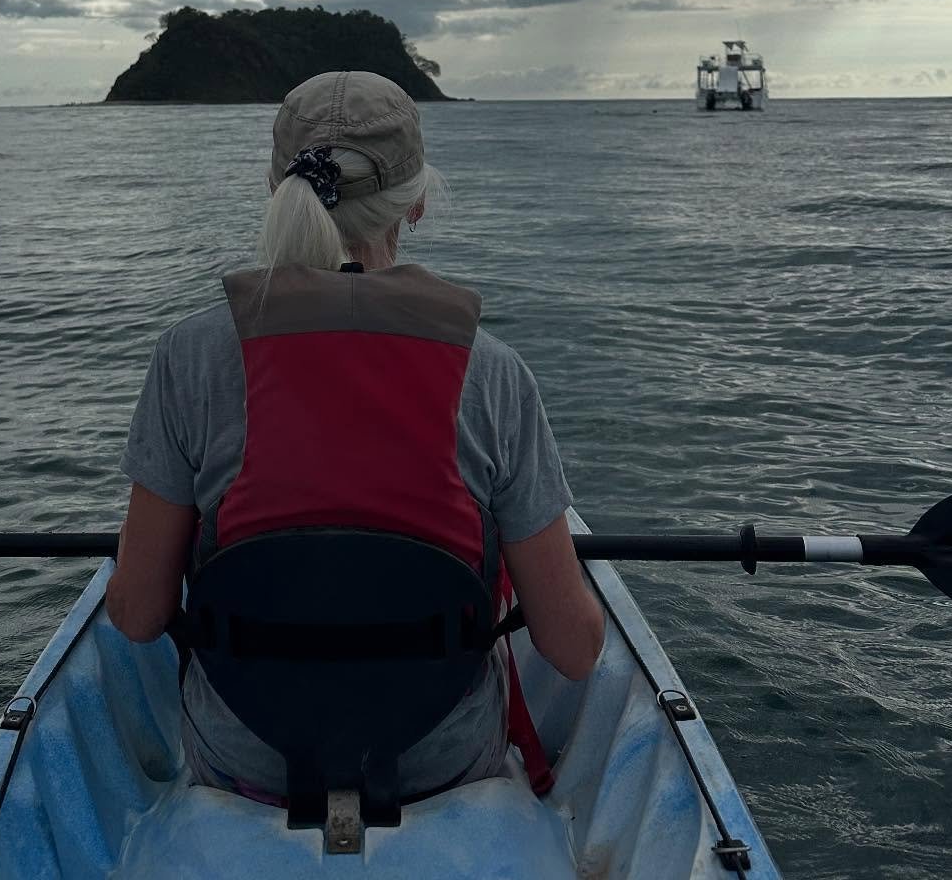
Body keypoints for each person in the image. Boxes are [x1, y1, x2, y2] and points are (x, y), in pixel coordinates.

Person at [107, 69, 604, 801]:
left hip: (245, 758)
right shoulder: (493, 375)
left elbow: (138, 612)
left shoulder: (189, 358)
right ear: (419, 202)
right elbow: (573, 646)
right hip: (442, 764)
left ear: (275, 187)